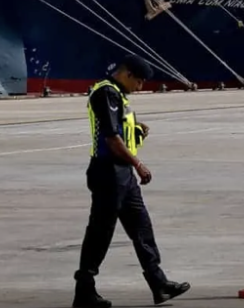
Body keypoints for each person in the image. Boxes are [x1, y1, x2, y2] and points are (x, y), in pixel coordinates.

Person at [73, 54, 190, 308]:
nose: (140, 87)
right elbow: (111, 139)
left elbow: (121, 134)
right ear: (126, 74)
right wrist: (138, 164)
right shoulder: (106, 93)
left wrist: (136, 132)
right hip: (108, 173)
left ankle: (159, 283)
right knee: (101, 231)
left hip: (123, 173)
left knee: (141, 227)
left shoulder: (118, 94)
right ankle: (84, 289)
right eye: (138, 81)